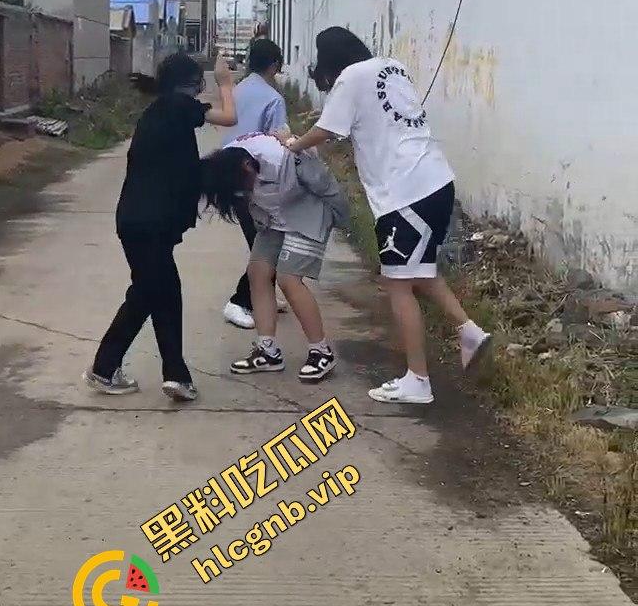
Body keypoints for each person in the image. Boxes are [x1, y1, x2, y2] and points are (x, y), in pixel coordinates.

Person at [279, 27, 490, 405]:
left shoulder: (350, 77)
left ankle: (418, 380)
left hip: (405, 192)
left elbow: (326, 130)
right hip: (436, 182)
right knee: (419, 270)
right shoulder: (392, 66)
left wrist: (293, 144)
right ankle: (469, 330)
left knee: (397, 284)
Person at [83, 52, 236, 401]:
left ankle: (118, 369)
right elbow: (229, 117)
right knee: (160, 294)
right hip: (150, 222)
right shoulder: (177, 106)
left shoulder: (160, 111)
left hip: (140, 220)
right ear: (192, 83)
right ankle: (167, 374)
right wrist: (226, 83)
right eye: (200, 82)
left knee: (149, 293)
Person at [202, 132, 349, 381]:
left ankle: (321, 351)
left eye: (245, 185)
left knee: (288, 279)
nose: (248, 190)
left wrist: (342, 218)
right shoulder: (227, 163)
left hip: (307, 217)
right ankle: (267, 351)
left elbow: (325, 185)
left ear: (248, 166)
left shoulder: (286, 158)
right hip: (272, 221)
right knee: (258, 273)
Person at [221, 37, 289, 331]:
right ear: (275, 65)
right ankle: (239, 301)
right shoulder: (273, 99)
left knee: (261, 241)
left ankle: (263, 293)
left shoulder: (237, 90)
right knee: (267, 247)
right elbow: (277, 144)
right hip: (255, 180)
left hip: (228, 172)